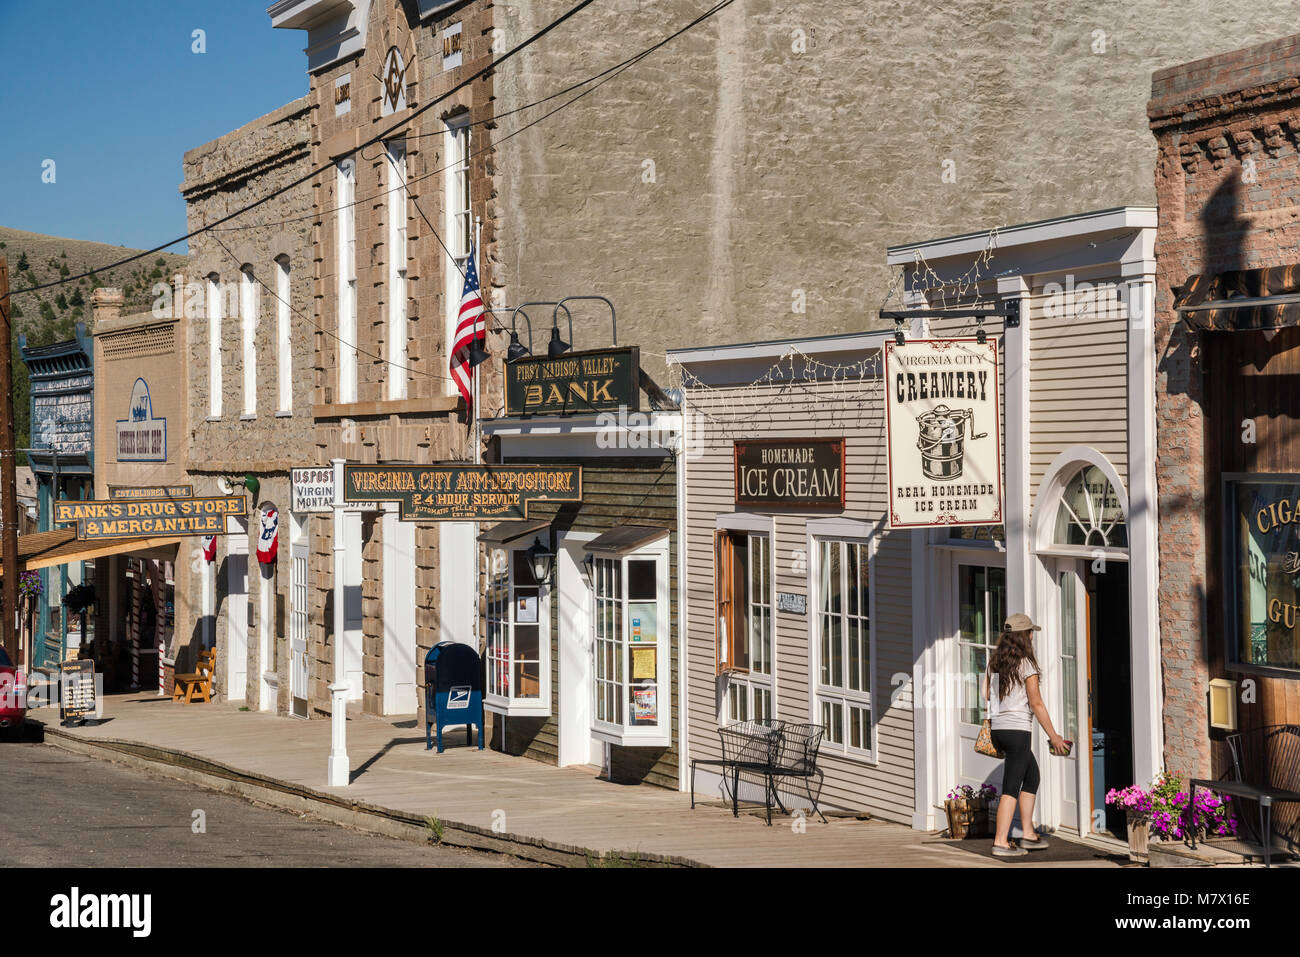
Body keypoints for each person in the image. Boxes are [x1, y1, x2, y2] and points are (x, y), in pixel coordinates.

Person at [982, 613, 1068, 858]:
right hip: (1018, 730)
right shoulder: (1026, 664)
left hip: (999, 729)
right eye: (1031, 632)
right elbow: (1036, 703)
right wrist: (1054, 736)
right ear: (1025, 636)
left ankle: (1027, 834)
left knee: (1032, 776)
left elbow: (987, 695)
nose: (1033, 636)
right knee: (1011, 786)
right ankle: (1000, 841)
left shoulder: (994, 661)